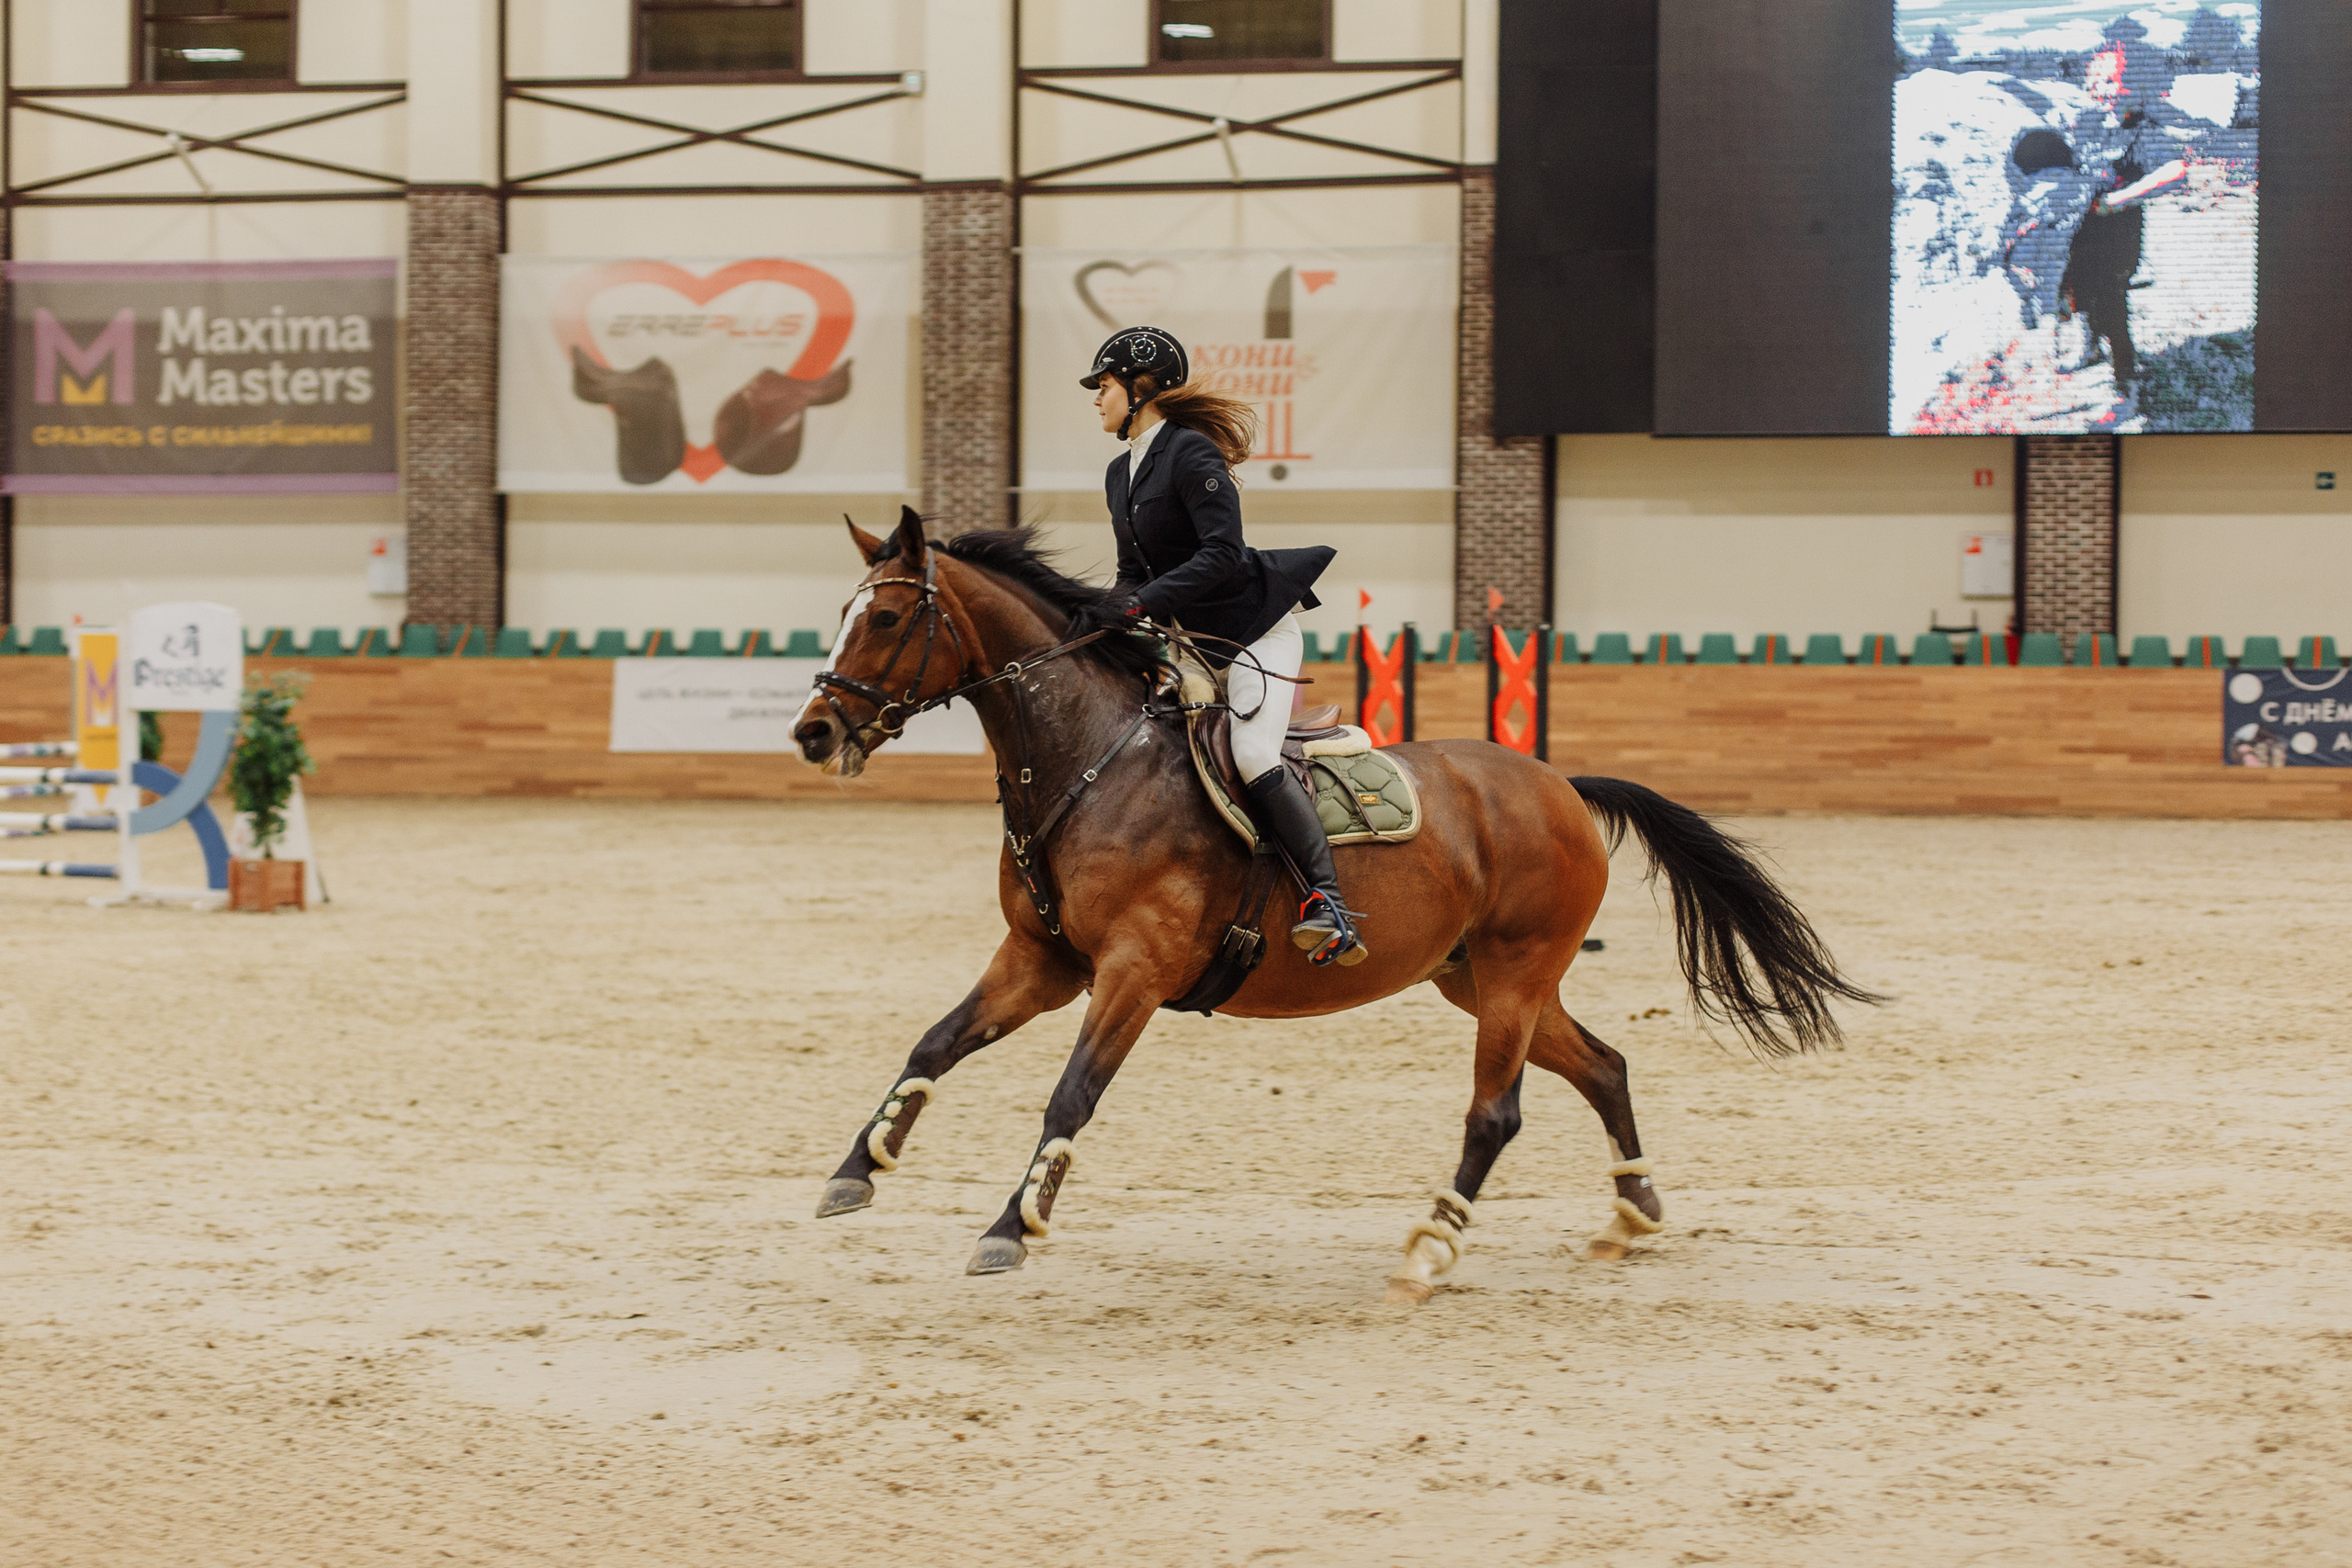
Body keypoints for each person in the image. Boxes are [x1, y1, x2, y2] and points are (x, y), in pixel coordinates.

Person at [1069, 326, 1363, 967]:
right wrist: (1103, 615)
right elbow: (1132, 571)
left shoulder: (1192, 454)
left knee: (1254, 753)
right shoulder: (1121, 473)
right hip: (1191, 640)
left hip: (1253, 629)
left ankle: (1329, 901)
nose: (1096, 398)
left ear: (1140, 389)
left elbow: (1223, 554)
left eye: (1106, 385)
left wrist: (1143, 604)